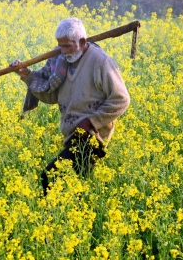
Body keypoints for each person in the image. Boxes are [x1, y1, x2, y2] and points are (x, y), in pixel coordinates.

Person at [10, 18, 130, 196]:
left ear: (82, 42)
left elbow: (121, 98)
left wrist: (92, 121)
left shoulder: (100, 61)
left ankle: (49, 217)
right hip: (72, 136)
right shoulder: (62, 63)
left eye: (67, 46)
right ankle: (72, 218)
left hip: (91, 137)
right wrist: (27, 75)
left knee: (48, 177)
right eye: (60, 46)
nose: (62, 51)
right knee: (78, 189)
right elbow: (51, 95)